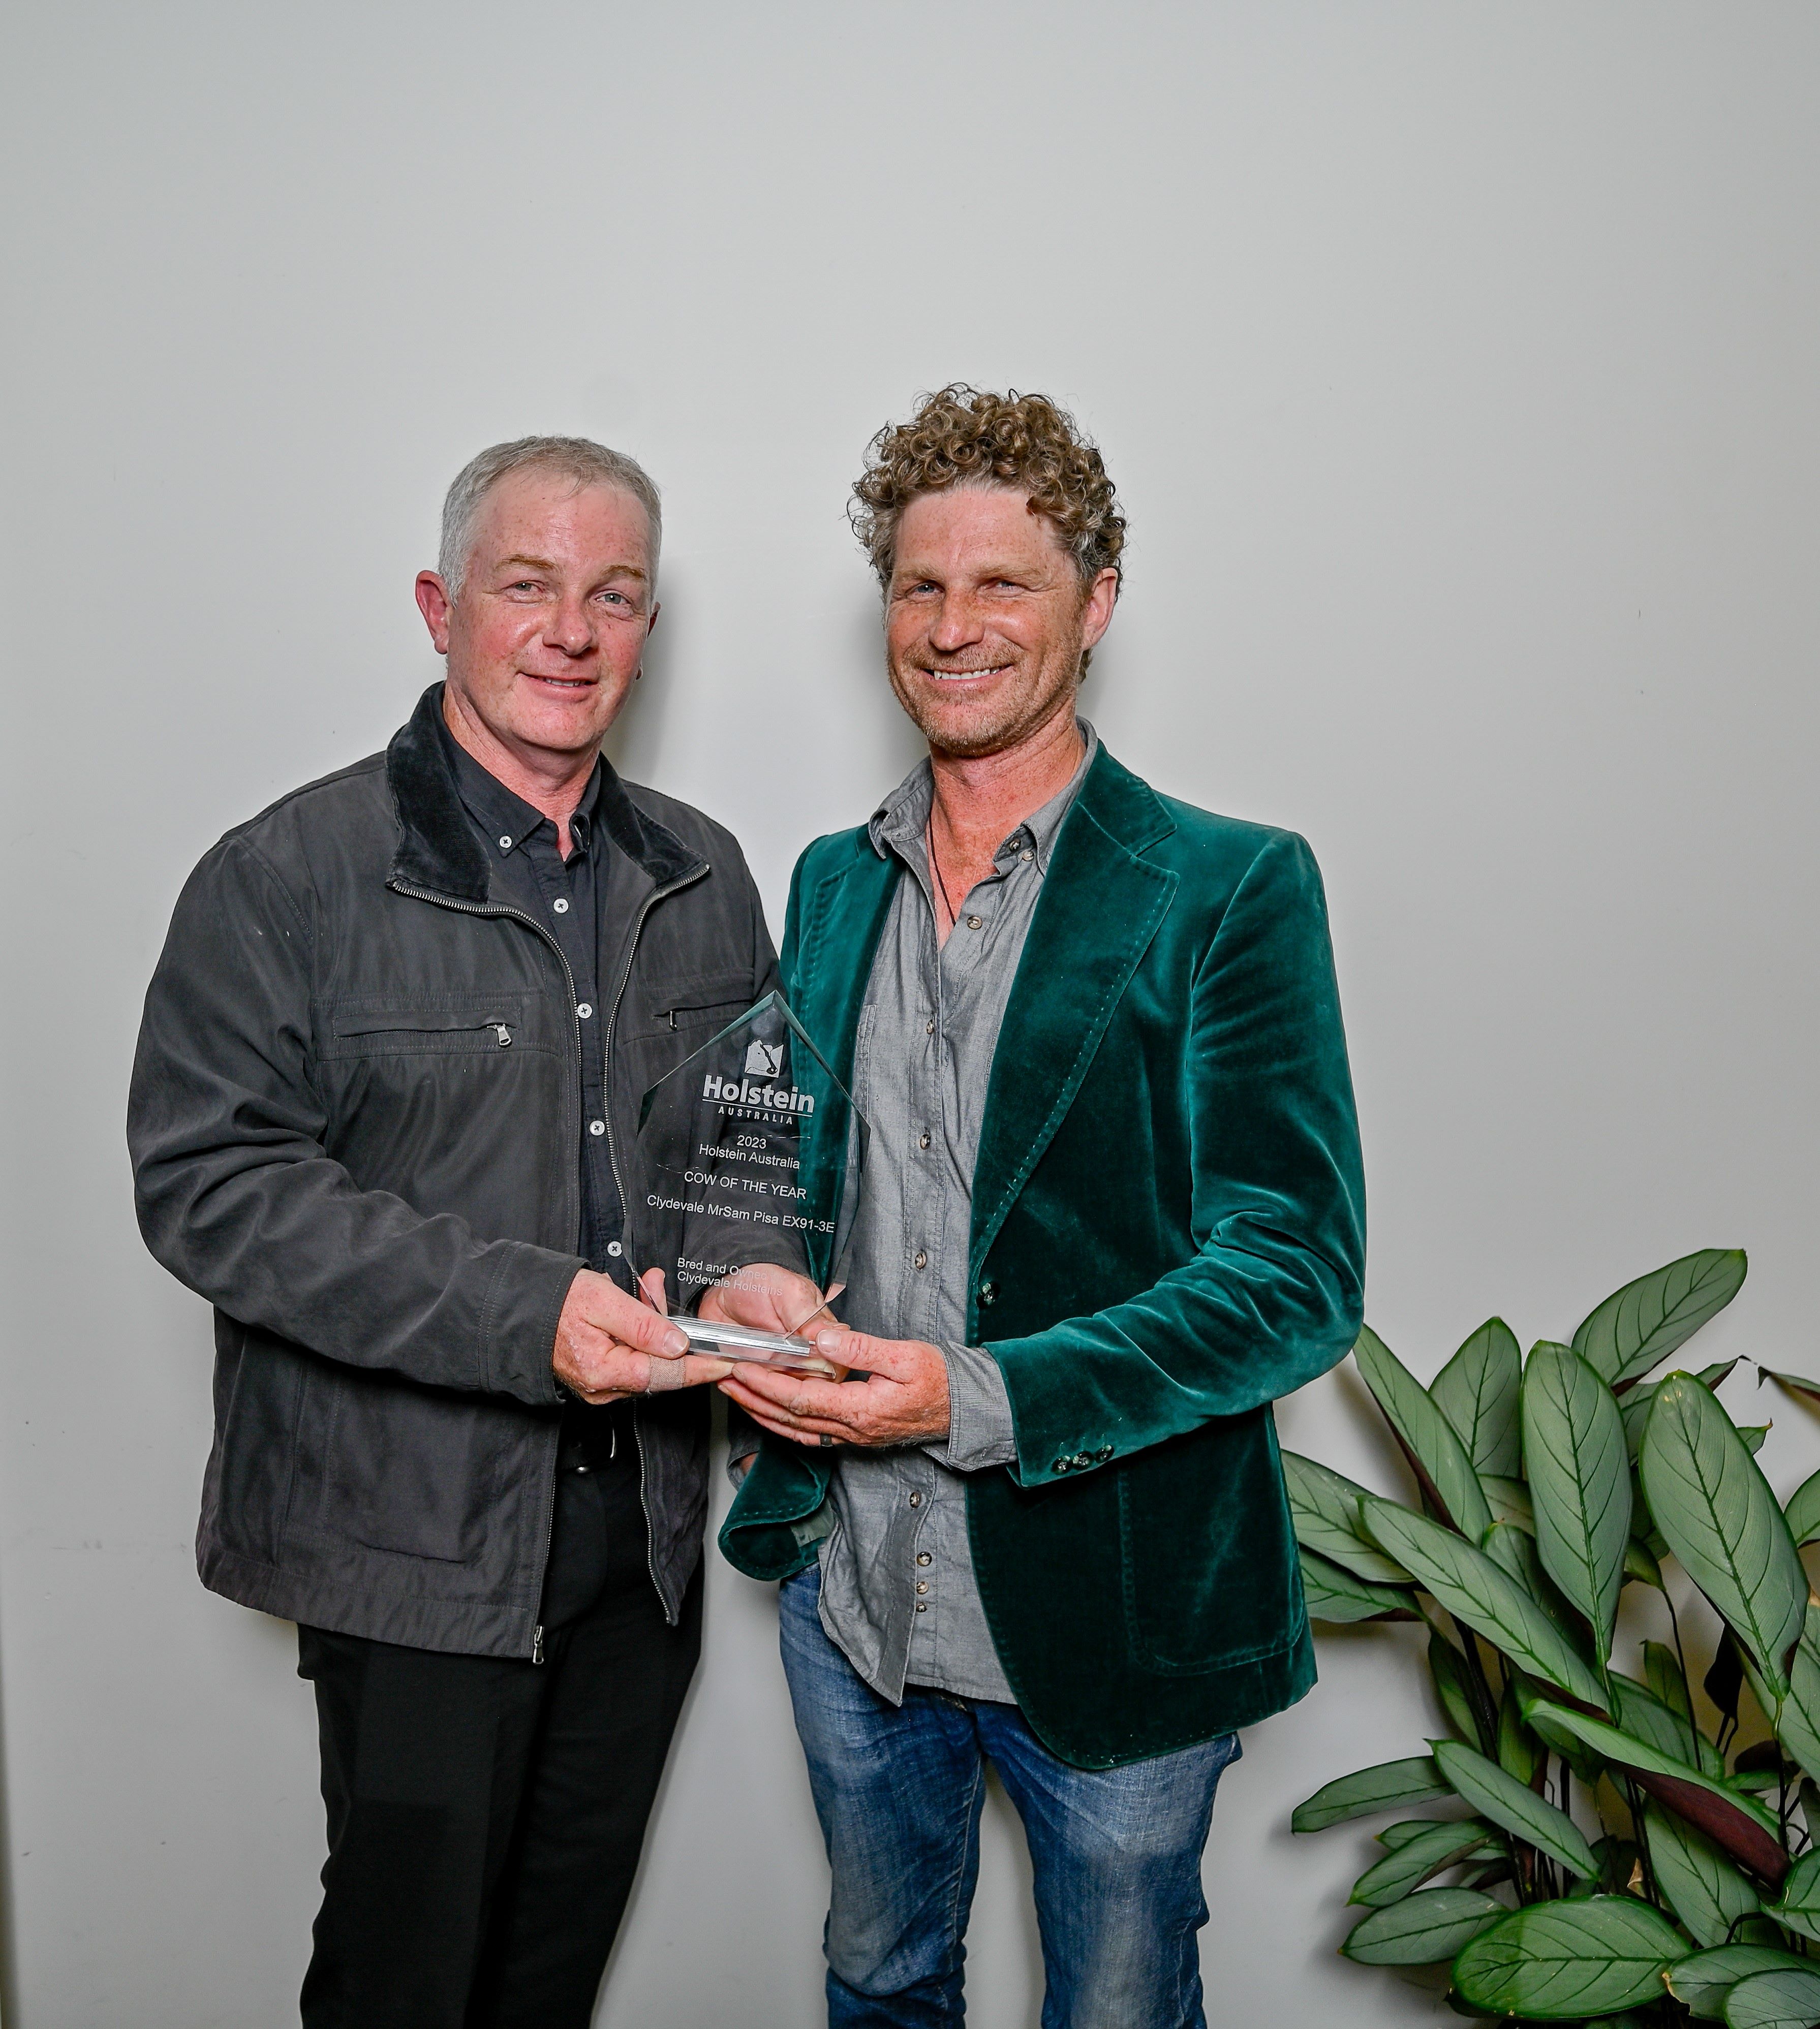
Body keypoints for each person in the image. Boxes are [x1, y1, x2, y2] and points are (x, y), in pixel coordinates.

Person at [128, 436, 822, 2027]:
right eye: (528, 585)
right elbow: (210, 1184)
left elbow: (742, 1151)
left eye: (614, 594)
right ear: (443, 608)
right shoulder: (284, 878)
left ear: (648, 628)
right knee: (404, 1987)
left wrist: (760, 1265)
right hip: (412, 1547)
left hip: (640, 1553)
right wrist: (529, 1315)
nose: (570, 630)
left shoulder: (705, 876)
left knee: (545, 1983)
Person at [717, 387, 1367, 2027]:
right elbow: (784, 1178)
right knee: (877, 1980)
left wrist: (976, 1396)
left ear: (1097, 597)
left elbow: (1294, 1272)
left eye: (1002, 583)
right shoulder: (829, 877)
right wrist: (747, 1282)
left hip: (1119, 1610)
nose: (955, 628)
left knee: (1118, 2014)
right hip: (854, 1596)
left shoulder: (1229, 885)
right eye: (922, 587)